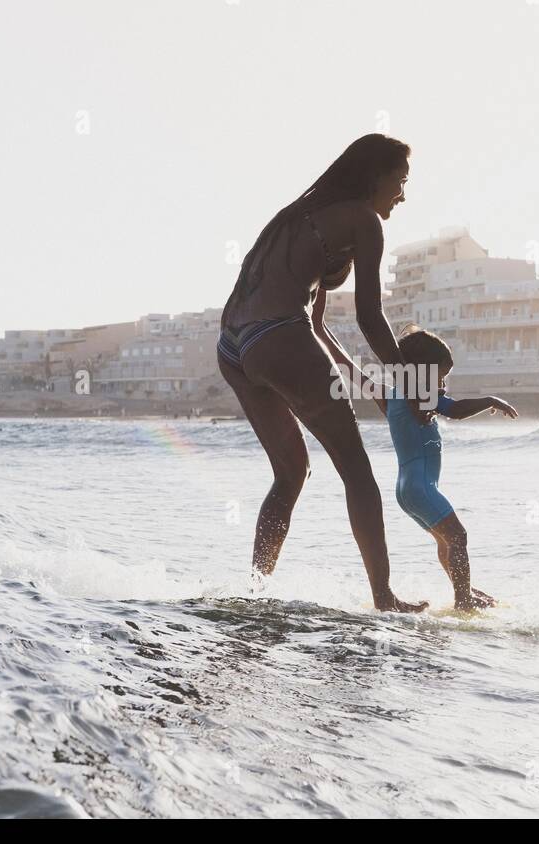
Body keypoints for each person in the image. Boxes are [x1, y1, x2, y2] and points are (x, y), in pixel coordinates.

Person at [216, 134, 428, 613]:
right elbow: (370, 318)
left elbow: (314, 327)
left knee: (291, 472)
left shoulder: (297, 218)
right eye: (400, 181)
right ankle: (383, 597)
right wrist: (408, 387)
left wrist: (368, 384)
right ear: (374, 176)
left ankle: (256, 591)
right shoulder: (363, 220)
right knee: (357, 470)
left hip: (233, 348)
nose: (402, 194)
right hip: (278, 338)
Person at [329, 326, 518, 612]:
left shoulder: (390, 395)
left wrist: (319, 328)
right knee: (458, 537)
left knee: (446, 541)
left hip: (407, 490)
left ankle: (464, 591)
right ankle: (464, 602)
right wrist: (491, 400)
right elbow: (454, 410)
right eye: (441, 376)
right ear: (423, 372)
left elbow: (349, 369)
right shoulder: (417, 393)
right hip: (419, 488)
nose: (443, 384)